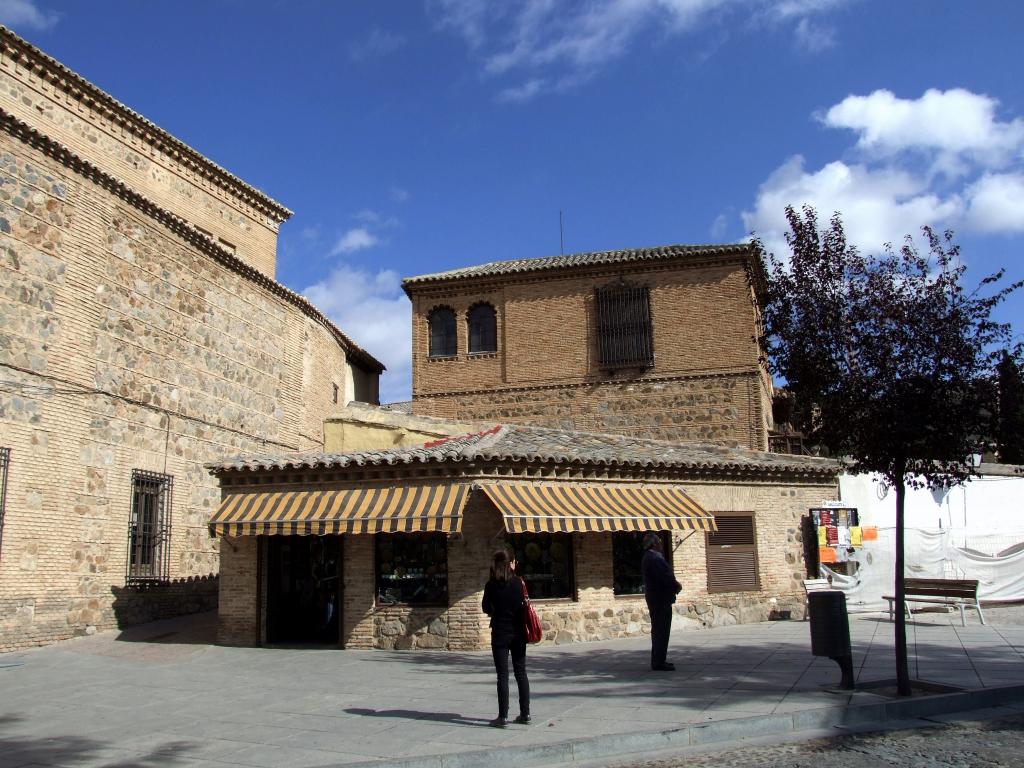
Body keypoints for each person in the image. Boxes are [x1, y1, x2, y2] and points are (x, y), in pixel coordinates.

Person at [481, 549, 531, 727]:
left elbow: (486, 608)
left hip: (500, 633)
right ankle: (525, 713)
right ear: (511, 563)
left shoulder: (491, 585)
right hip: (518, 633)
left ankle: (503, 716)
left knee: (502, 675)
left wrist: (497, 610)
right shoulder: (519, 583)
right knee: (521, 672)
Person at [642, 532, 681, 671]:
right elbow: (665, 577)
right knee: (662, 631)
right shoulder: (655, 558)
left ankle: (658, 659)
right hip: (660, 599)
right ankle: (659, 661)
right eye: (658, 541)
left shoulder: (648, 557)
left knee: (658, 630)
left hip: (655, 598)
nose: (660, 543)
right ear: (653, 543)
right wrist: (676, 585)